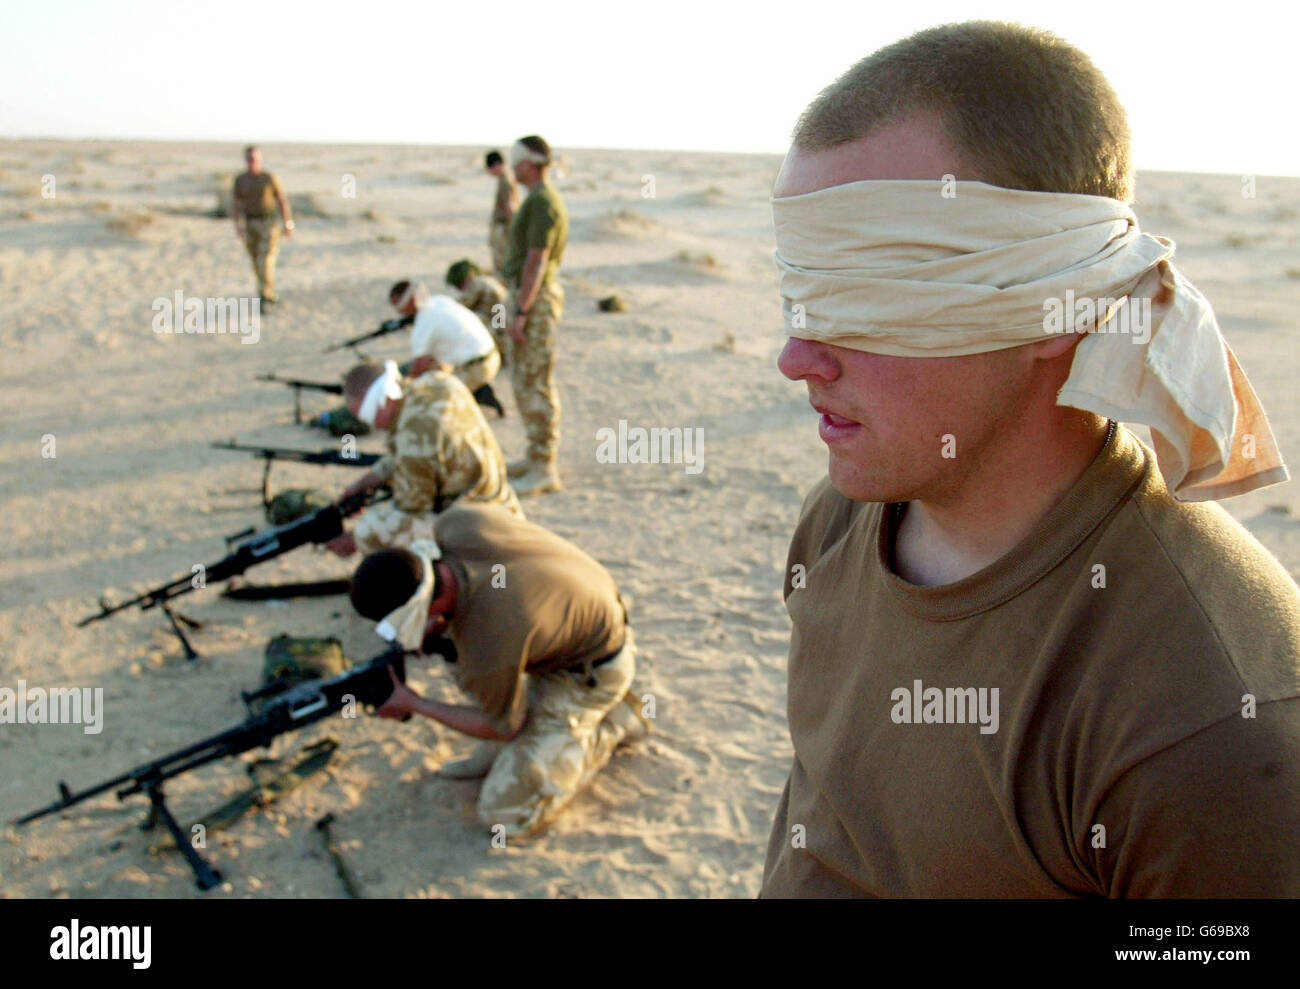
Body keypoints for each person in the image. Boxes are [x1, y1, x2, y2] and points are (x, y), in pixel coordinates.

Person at [762, 21, 1300, 898]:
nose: (797, 357)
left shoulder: (1207, 722)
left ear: (1055, 301)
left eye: (870, 295)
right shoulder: (844, 517)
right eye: (799, 286)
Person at [348, 503, 648, 836]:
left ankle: (613, 723)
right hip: (581, 612)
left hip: (591, 670)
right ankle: (530, 727)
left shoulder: (489, 637)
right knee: (455, 650)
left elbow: (504, 726)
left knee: (505, 816)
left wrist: (415, 703)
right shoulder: (456, 523)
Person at [325, 362, 520, 558]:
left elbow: (413, 510)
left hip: (478, 524)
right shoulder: (436, 381)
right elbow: (414, 448)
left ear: (384, 400)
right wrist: (369, 479)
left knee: (371, 530)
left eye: (368, 416)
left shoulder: (412, 438)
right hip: (500, 499)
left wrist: (355, 539)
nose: (373, 425)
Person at [499, 135, 569, 496]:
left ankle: (544, 467)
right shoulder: (537, 200)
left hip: (536, 300)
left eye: (516, 162)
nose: (512, 169)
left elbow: (536, 260)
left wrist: (522, 312)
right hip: (531, 298)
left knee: (535, 382)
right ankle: (534, 457)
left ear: (528, 163)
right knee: (526, 381)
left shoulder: (543, 202)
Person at [389, 280, 505, 417]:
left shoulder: (424, 323)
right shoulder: (440, 301)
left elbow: (418, 369)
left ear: (411, 301)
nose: (399, 312)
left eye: (399, 307)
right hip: (493, 355)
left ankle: (478, 393)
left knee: (434, 398)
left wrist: (402, 388)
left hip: (478, 368)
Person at [231, 145, 294, 306]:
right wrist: (238, 225)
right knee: (255, 260)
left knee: (265, 259)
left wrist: (288, 222)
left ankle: (266, 295)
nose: (252, 161)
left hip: (269, 223)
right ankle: (263, 290)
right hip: (250, 223)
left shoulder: (269, 178)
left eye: (255, 158)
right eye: (249, 158)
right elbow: (236, 204)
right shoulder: (241, 180)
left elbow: (282, 200)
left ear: (260, 159)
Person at [446, 259, 509, 364]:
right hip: (502, 326)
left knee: (468, 320)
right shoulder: (487, 280)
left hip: (500, 332)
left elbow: (458, 308)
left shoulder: (477, 283)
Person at [485, 149, 519, 274]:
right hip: (502, 227)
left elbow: (509, 207)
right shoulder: (505, 179)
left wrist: (514, 230)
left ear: (496, 165)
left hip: (503, 228)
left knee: (501, 264)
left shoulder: (505, 180)